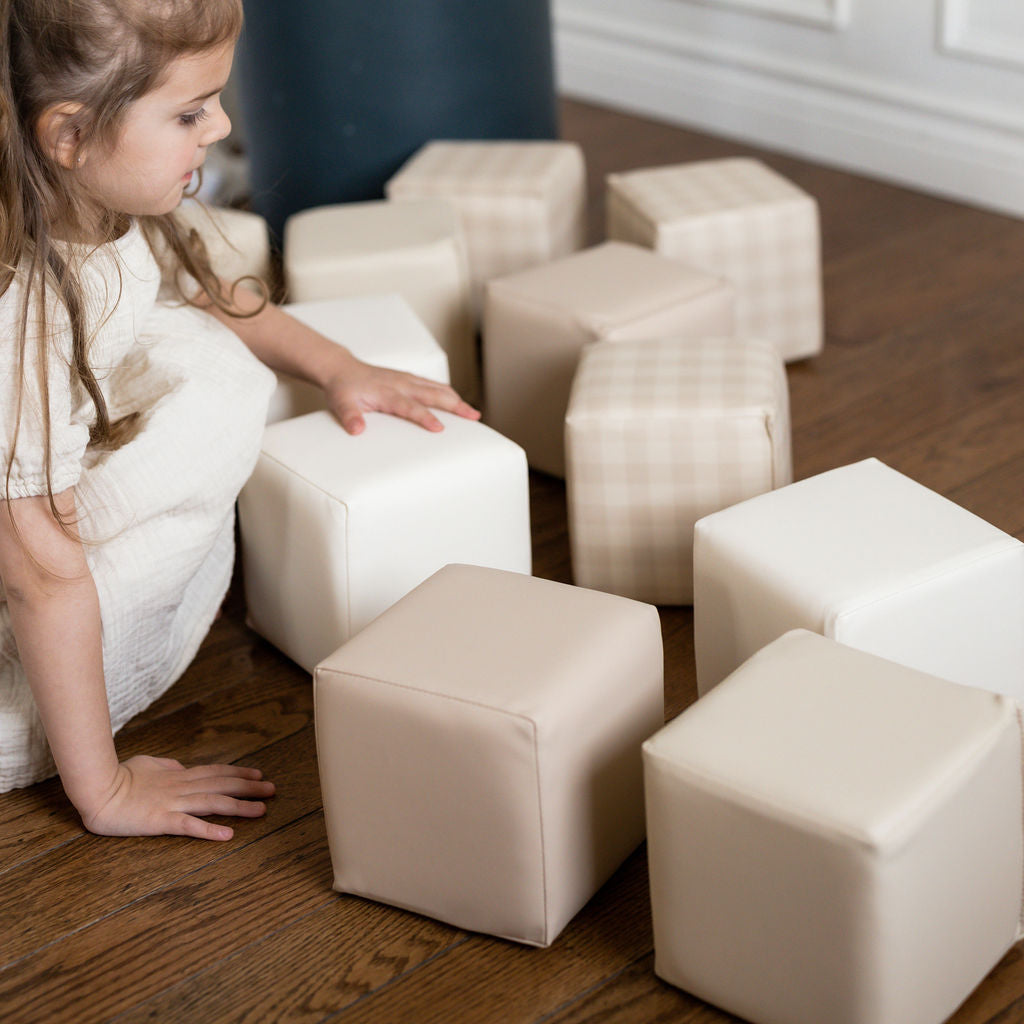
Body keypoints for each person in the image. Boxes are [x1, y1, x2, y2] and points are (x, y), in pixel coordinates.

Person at [0, 0, 479, 841]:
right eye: (189, 112)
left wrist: (339, 368)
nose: (222, 125)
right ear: (68, 134)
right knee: (196, 421)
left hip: (36, 504)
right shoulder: (23, 321)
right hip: (26, 577)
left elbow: (206, 287)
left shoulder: (80, 189)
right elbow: (42, 576)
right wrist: (104, 790)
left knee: (213, 364)